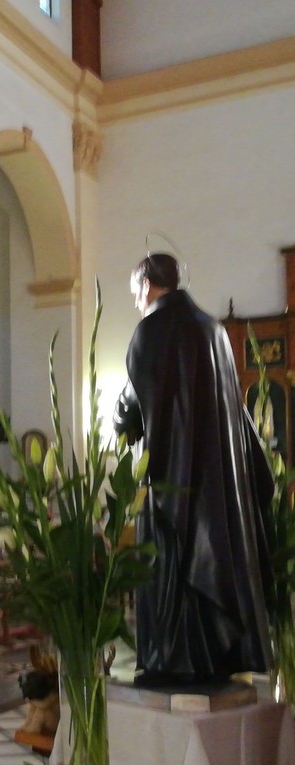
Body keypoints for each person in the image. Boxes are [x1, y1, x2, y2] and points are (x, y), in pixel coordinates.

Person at [113, 252, 273, 684]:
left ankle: (171, 660)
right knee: (210, 553)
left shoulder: (152, 330)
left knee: (171, 563)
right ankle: (213, 660)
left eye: (134, 294)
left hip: (172, 481)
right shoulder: (215, 330)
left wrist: (119, 415)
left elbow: (133, 406)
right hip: (217, 486)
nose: (136, 303)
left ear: (146, 285)